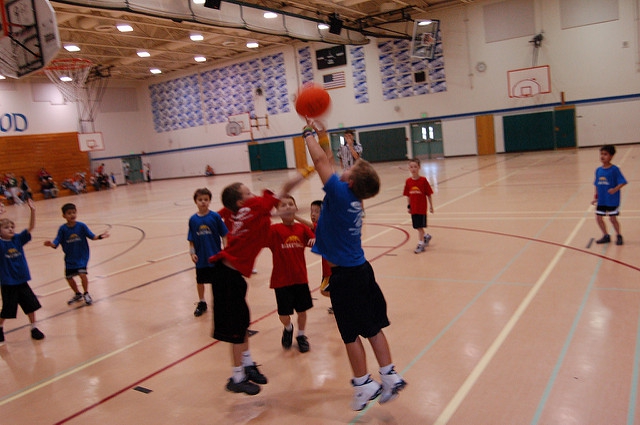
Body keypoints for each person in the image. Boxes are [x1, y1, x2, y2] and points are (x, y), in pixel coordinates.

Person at [302, 120, 406, 411]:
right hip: (362, 270)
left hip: (345, 277)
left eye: (349, 168)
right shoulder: (355, 200)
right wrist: (323, 134)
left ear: (349, 180)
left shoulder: (338, 193)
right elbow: (331, 161)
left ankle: (363, 384)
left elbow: (322, 160)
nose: (343, 167)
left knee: (350, 334)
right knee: (374, 328)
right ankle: (389, 374)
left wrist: (308, 135)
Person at [207, 172, 306, 396]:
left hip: (231, 276)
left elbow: (227, 213)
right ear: (242, 202)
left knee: (243, 324)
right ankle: (236, 377)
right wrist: (308, 171)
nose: (253, 193)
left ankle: (247, 364)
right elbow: (286, 188)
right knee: (236, 331)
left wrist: (292, 212)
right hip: (227, 277)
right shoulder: (254, 208)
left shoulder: (233, 212)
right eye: (248, 192)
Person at [266, 195, 315, 353]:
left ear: (295, 208)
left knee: (302, 311)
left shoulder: (302, 229)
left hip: (300, 278)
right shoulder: (273, 230)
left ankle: (301, 335)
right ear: (277, 212)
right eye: (283, 205)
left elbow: (316, 242)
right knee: (284, 314)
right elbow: (258, 238)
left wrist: (316, 241)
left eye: (290, 204)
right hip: (281, 280)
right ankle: (288, 328)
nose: (287, 207)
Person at [44, 203, 110, 306]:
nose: (72, 215)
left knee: (82, 274)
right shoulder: (62, 229)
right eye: (69, 213)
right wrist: (50, 244)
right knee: (69, 277)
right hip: (70, 258)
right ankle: (77, 294)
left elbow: (92, 237)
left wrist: (101, 236)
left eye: (74, 212)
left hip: (82, 256)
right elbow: (56, 242)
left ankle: (86, 293)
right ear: (64, 216)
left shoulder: (81, 226)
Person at [0, 199, 45, 343]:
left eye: (12, 226)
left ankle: (33, 327)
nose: (11, 229)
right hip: (8, 283)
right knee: (8, 309)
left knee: (30, 305)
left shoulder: (18, 239)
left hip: (22, 280)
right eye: (6, 227)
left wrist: (33, 211)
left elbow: (30, 227)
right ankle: (0, 327)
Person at [188, 188, 228, 317]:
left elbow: (224, 234)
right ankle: (202, 302)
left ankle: (220, 302)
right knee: (200, 281)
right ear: (196, 201)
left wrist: (226, 250)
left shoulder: (215, 217)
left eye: (206, 199)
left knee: (218, 281)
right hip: (201, 257)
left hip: (215, 256)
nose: (203, 202)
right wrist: (192, 253)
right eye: (200, 200)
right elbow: (191, 239)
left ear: (210, 201)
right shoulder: (193, 220)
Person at [295, 199, 333, 313]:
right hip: (327, 268)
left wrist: (294, 216)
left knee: (325, 290)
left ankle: (342, 303)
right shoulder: (320, 228)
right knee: (329, 290)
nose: (313, 214)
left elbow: (309, 225)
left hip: (331, 269)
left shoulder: (322, 225)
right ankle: (339, 304)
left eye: (317, 211)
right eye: (312, 211)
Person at [591, 144, 627, 245]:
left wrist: (615, 189)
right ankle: (606, 235)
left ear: (611, 156)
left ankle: (619, 235)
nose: (602, 156)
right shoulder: (598, 170)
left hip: (612, 200)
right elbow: (596, 184)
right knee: (598, 218)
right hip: (602, 200)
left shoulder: (614, 169)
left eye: (605, 154)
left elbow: (623, 182)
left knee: (612, 219)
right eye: (601, 154)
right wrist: (596, 197)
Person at [404, 158, 435, 254]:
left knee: (420, 226)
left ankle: (421, 243)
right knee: (416, 226)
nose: (413, 169)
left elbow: (428, 194)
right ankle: (426, 236)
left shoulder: (423, 180)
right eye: (411, 167)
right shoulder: (408, 181)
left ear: (419, 168)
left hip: (421, 208)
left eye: (415, 167)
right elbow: (408, 195)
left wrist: (431, 206)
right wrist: (409, 206)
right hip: (414, 208)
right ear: (409, 168)